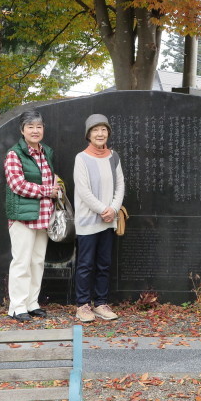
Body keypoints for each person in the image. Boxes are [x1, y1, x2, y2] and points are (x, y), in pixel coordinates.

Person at [4, 110, 60, 322]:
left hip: (44, 215)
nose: (35, 131)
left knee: (37, 261)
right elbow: (17, 185)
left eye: (39, 127)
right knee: (21, 262)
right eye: (30, 127)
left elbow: (51, 179)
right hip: (22, 217)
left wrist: (56, 187)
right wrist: (47, 190)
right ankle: (17, 306)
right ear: (22, 130)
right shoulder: (14, 154)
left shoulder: (47, 152)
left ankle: (31, 303)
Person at [74, 114, 125, 322]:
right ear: (88, 134)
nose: (100, 134)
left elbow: (120, 185)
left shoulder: (114, 157)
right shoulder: (82, 158)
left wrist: (113, 209)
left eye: (104, 130)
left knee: (104, 263)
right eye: (95, 130)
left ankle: (101, 303)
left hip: (108, 220)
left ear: (108, 133)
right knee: (85, 264)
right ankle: (83, 305)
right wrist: (103, 209)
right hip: (88, 220)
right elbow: (83, 190)